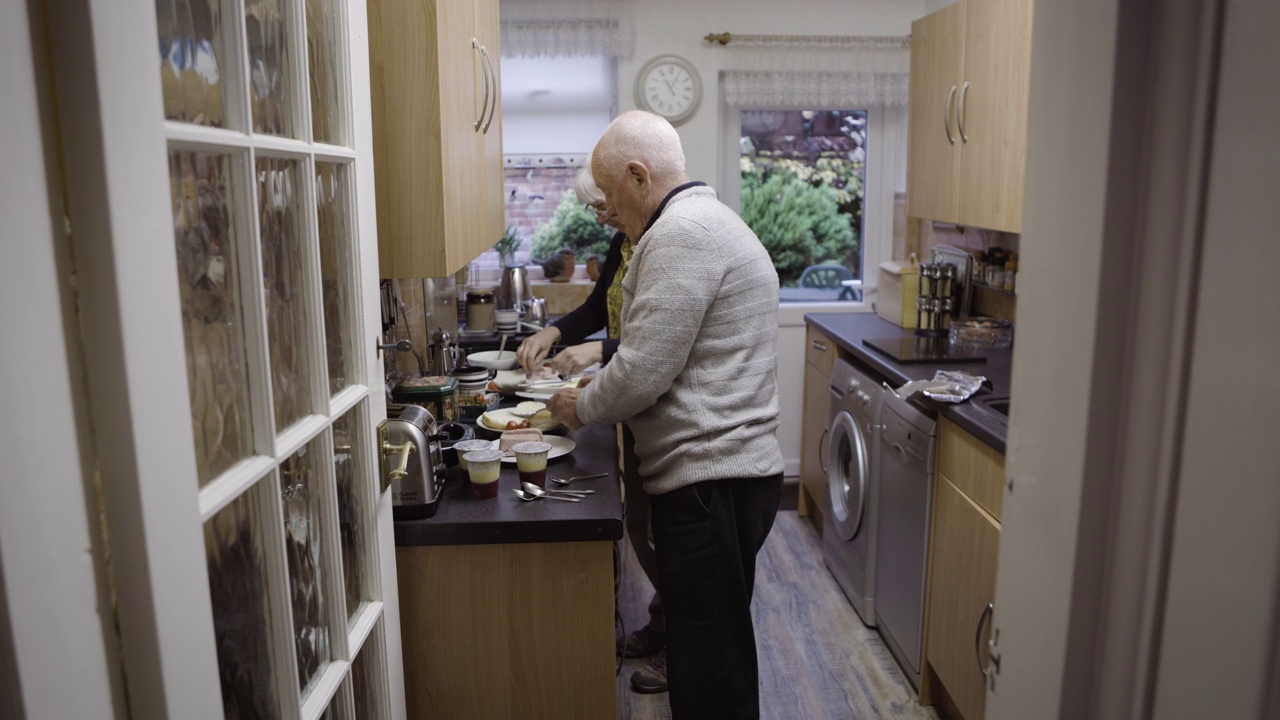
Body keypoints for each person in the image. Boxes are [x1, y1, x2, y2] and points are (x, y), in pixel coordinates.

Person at [547, 110, 785, 719]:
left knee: (709, 667)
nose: (606, 212)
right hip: (727, 478)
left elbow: (642, 373)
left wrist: (579, 405)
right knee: (716, 652)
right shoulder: (701, 222)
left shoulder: (680, 234)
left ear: (637, 175)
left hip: (712, 483)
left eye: (607, 196)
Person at [514, 163, 670, 693]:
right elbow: (596, 307)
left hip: (660, 403)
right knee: (644, 527)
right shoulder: (623, 244)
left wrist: (598, 351)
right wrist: (552, 333)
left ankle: (679, 645)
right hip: (633, 403)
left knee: (663, 533)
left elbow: (661, 343)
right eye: (595, 208)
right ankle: (661, 622)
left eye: (606, 205)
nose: (602, 216)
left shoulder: (663, 244)